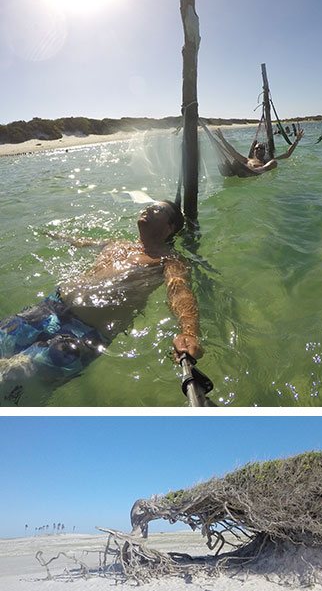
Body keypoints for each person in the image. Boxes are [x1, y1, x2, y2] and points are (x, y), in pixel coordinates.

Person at [0, 201, 202, 406]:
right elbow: (80, 242)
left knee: (13, 378)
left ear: (169, 228)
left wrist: (189, 333)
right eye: (149, 205)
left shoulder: (168, 260)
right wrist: (54, 235)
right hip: (49, 308)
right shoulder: (117, 244)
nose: (148, 209)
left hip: (83, 335)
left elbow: (180, 294)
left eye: (158, 209)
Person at [209, 128, 303, 177]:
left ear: (264, 151)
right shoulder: (247, 160)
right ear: (254, 151)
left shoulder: (268, 161)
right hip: (245, 171)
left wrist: (296, 141)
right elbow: (233, 152)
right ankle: (242, 171)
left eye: (261, 148)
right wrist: (222, 139)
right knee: (235, 161)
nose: (258, 150)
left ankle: (255, 171)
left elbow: (287, 154)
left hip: (254, 172)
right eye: (257, 148)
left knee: (274, 162)